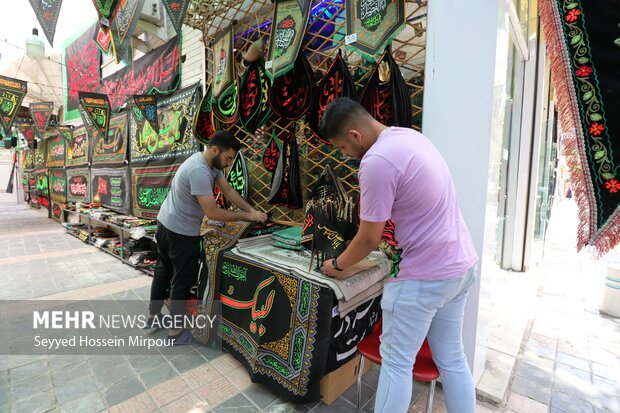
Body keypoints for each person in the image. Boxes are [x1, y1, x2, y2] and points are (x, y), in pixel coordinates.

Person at [318, 98, 478, 413]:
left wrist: (337, 265)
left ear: (354, 135)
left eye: (341, 148)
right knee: (452, 357)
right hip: (460, 266)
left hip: (425, 276)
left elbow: (368, 238)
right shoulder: (408, 136)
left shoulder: (376, 160)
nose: (344, 155)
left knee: (396, 363)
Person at [145, 131, 268, 345]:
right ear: (214, 150)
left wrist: (252, 210)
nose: (229, 163)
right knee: (182, 280)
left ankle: (153, 317)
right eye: (228, 158)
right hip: (179, 232)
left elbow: (228, 189)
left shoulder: (211, 165)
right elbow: (213, 213)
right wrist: (247, 216)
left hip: (165, 223)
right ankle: (175, 333)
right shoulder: (199, 171)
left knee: (162, 270)